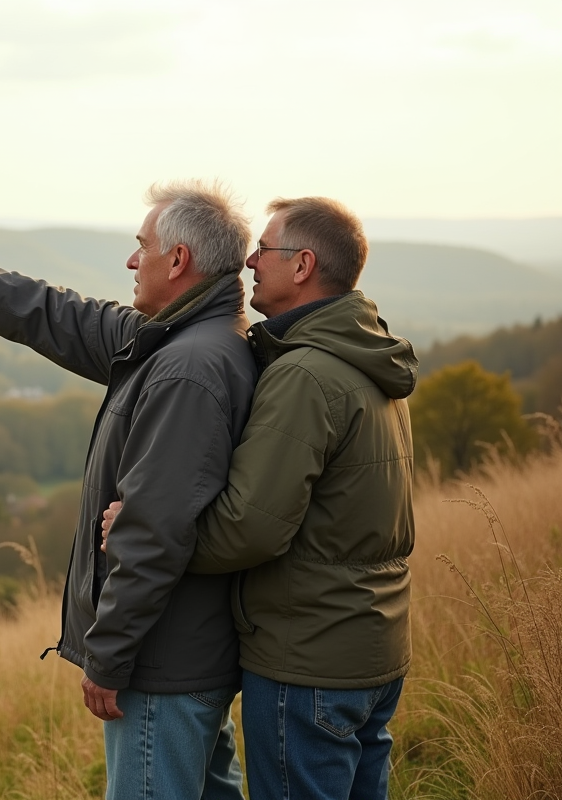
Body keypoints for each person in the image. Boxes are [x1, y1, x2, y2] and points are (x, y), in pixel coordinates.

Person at [0, 180, 257, 800]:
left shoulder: (188, 368)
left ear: (178, 261)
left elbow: (152, 532)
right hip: (184, 660)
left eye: (140, 246)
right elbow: (45, 309)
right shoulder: (174, 343)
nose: (130, 261)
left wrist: (110, 659)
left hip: (160, 670)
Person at [103, 196, 417, 800]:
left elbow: (252, 527)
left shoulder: (304, 374)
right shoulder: (369, 357)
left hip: (308, 659)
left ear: (301, 266)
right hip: (373, 647)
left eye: (264, 250)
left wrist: (142, 533)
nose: (249, 261)